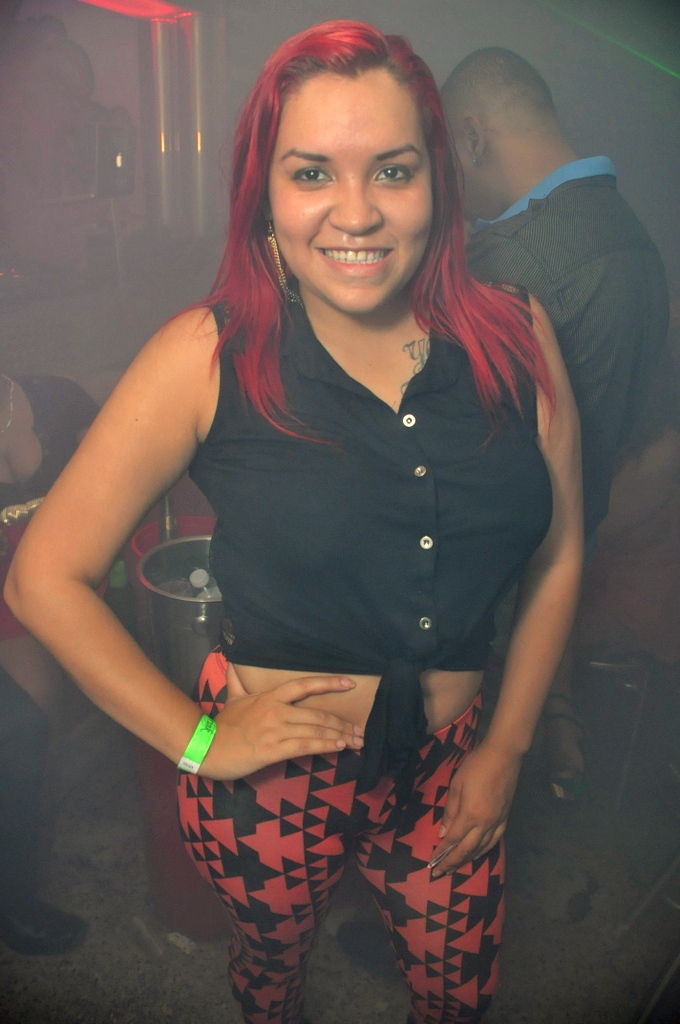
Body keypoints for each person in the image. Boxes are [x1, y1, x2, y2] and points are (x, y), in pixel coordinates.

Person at [6, 22, 582, 1024]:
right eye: (311, 172)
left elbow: (560, 551)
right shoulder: (207, 353)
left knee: (460, 994)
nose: (355, 212)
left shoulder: (517, 334)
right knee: (271, 979)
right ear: (263, 193)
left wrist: (507, 748)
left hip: (451, 760)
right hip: (272, 777)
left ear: (437, 180)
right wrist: (199, 741)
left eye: (392, 170)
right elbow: (42, 576)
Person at [441, 48, 669, 799]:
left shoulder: (514, 262)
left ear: (472, 136)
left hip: (497, 599)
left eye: (447, 157)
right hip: (573, 553)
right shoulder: (633, 234)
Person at [0, 372, 97, 953]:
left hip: (64, 583)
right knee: (24, 736)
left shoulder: (57, 397)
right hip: (7, 598)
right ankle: (15, 903)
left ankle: (29, 859)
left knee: (44, 734)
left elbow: (118, 478)